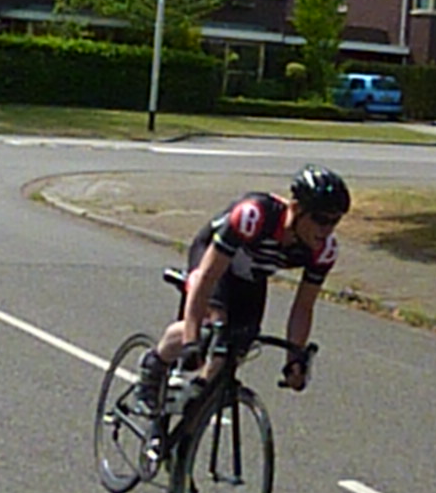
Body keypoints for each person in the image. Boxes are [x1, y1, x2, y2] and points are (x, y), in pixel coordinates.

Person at [138, 165, 351, 422]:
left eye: (335, 221)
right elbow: (206, 279)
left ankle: (194, 406)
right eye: (320, 219)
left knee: (241, 341)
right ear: (296, 209)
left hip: (250, 275)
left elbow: (303, 307)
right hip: (214, 260)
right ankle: (156, 363)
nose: (327, 229)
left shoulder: (323, 250)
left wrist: (295, 358)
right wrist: (192, 342)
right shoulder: (255, 216)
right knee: (214, 325)